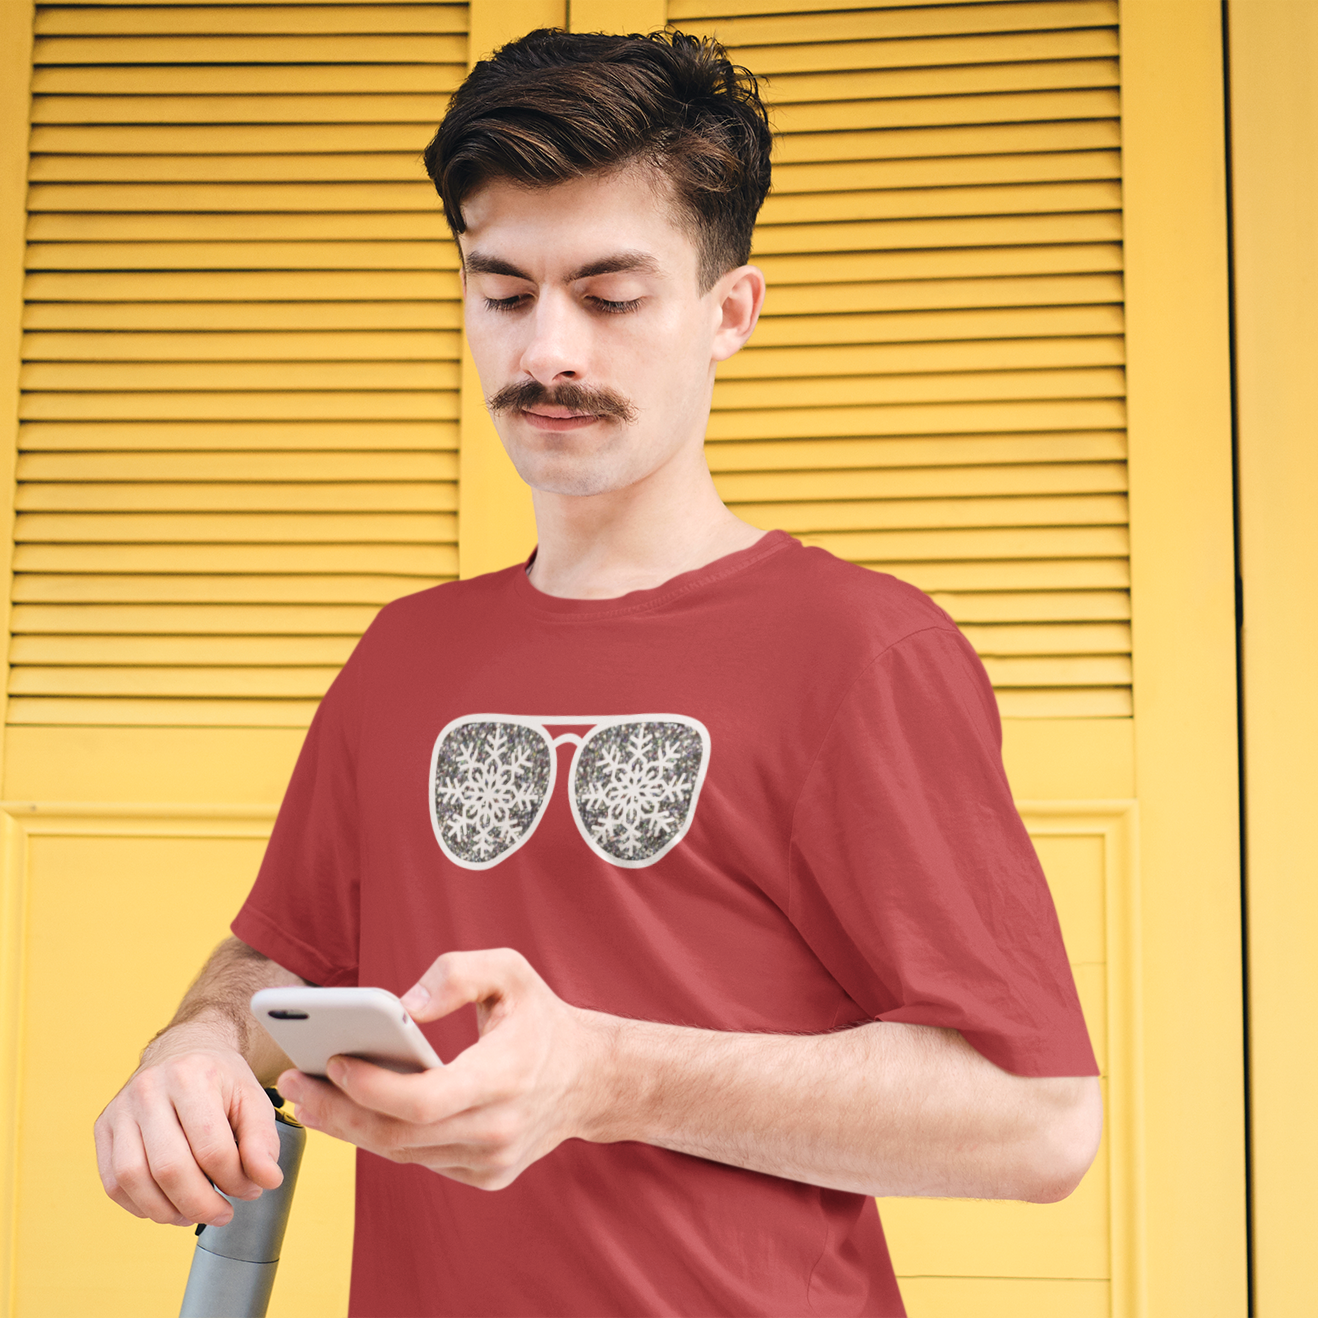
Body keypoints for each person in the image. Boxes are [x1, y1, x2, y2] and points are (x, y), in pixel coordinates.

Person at [94, 29, 1102, 1318]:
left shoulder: (862, 650)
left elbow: (1038, 1119)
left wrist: (611, 1074)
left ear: (728, 311)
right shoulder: (405, 654)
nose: (547, 354)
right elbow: (280, 957)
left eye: (610, 296)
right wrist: (193, 1043)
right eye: (503, 292)